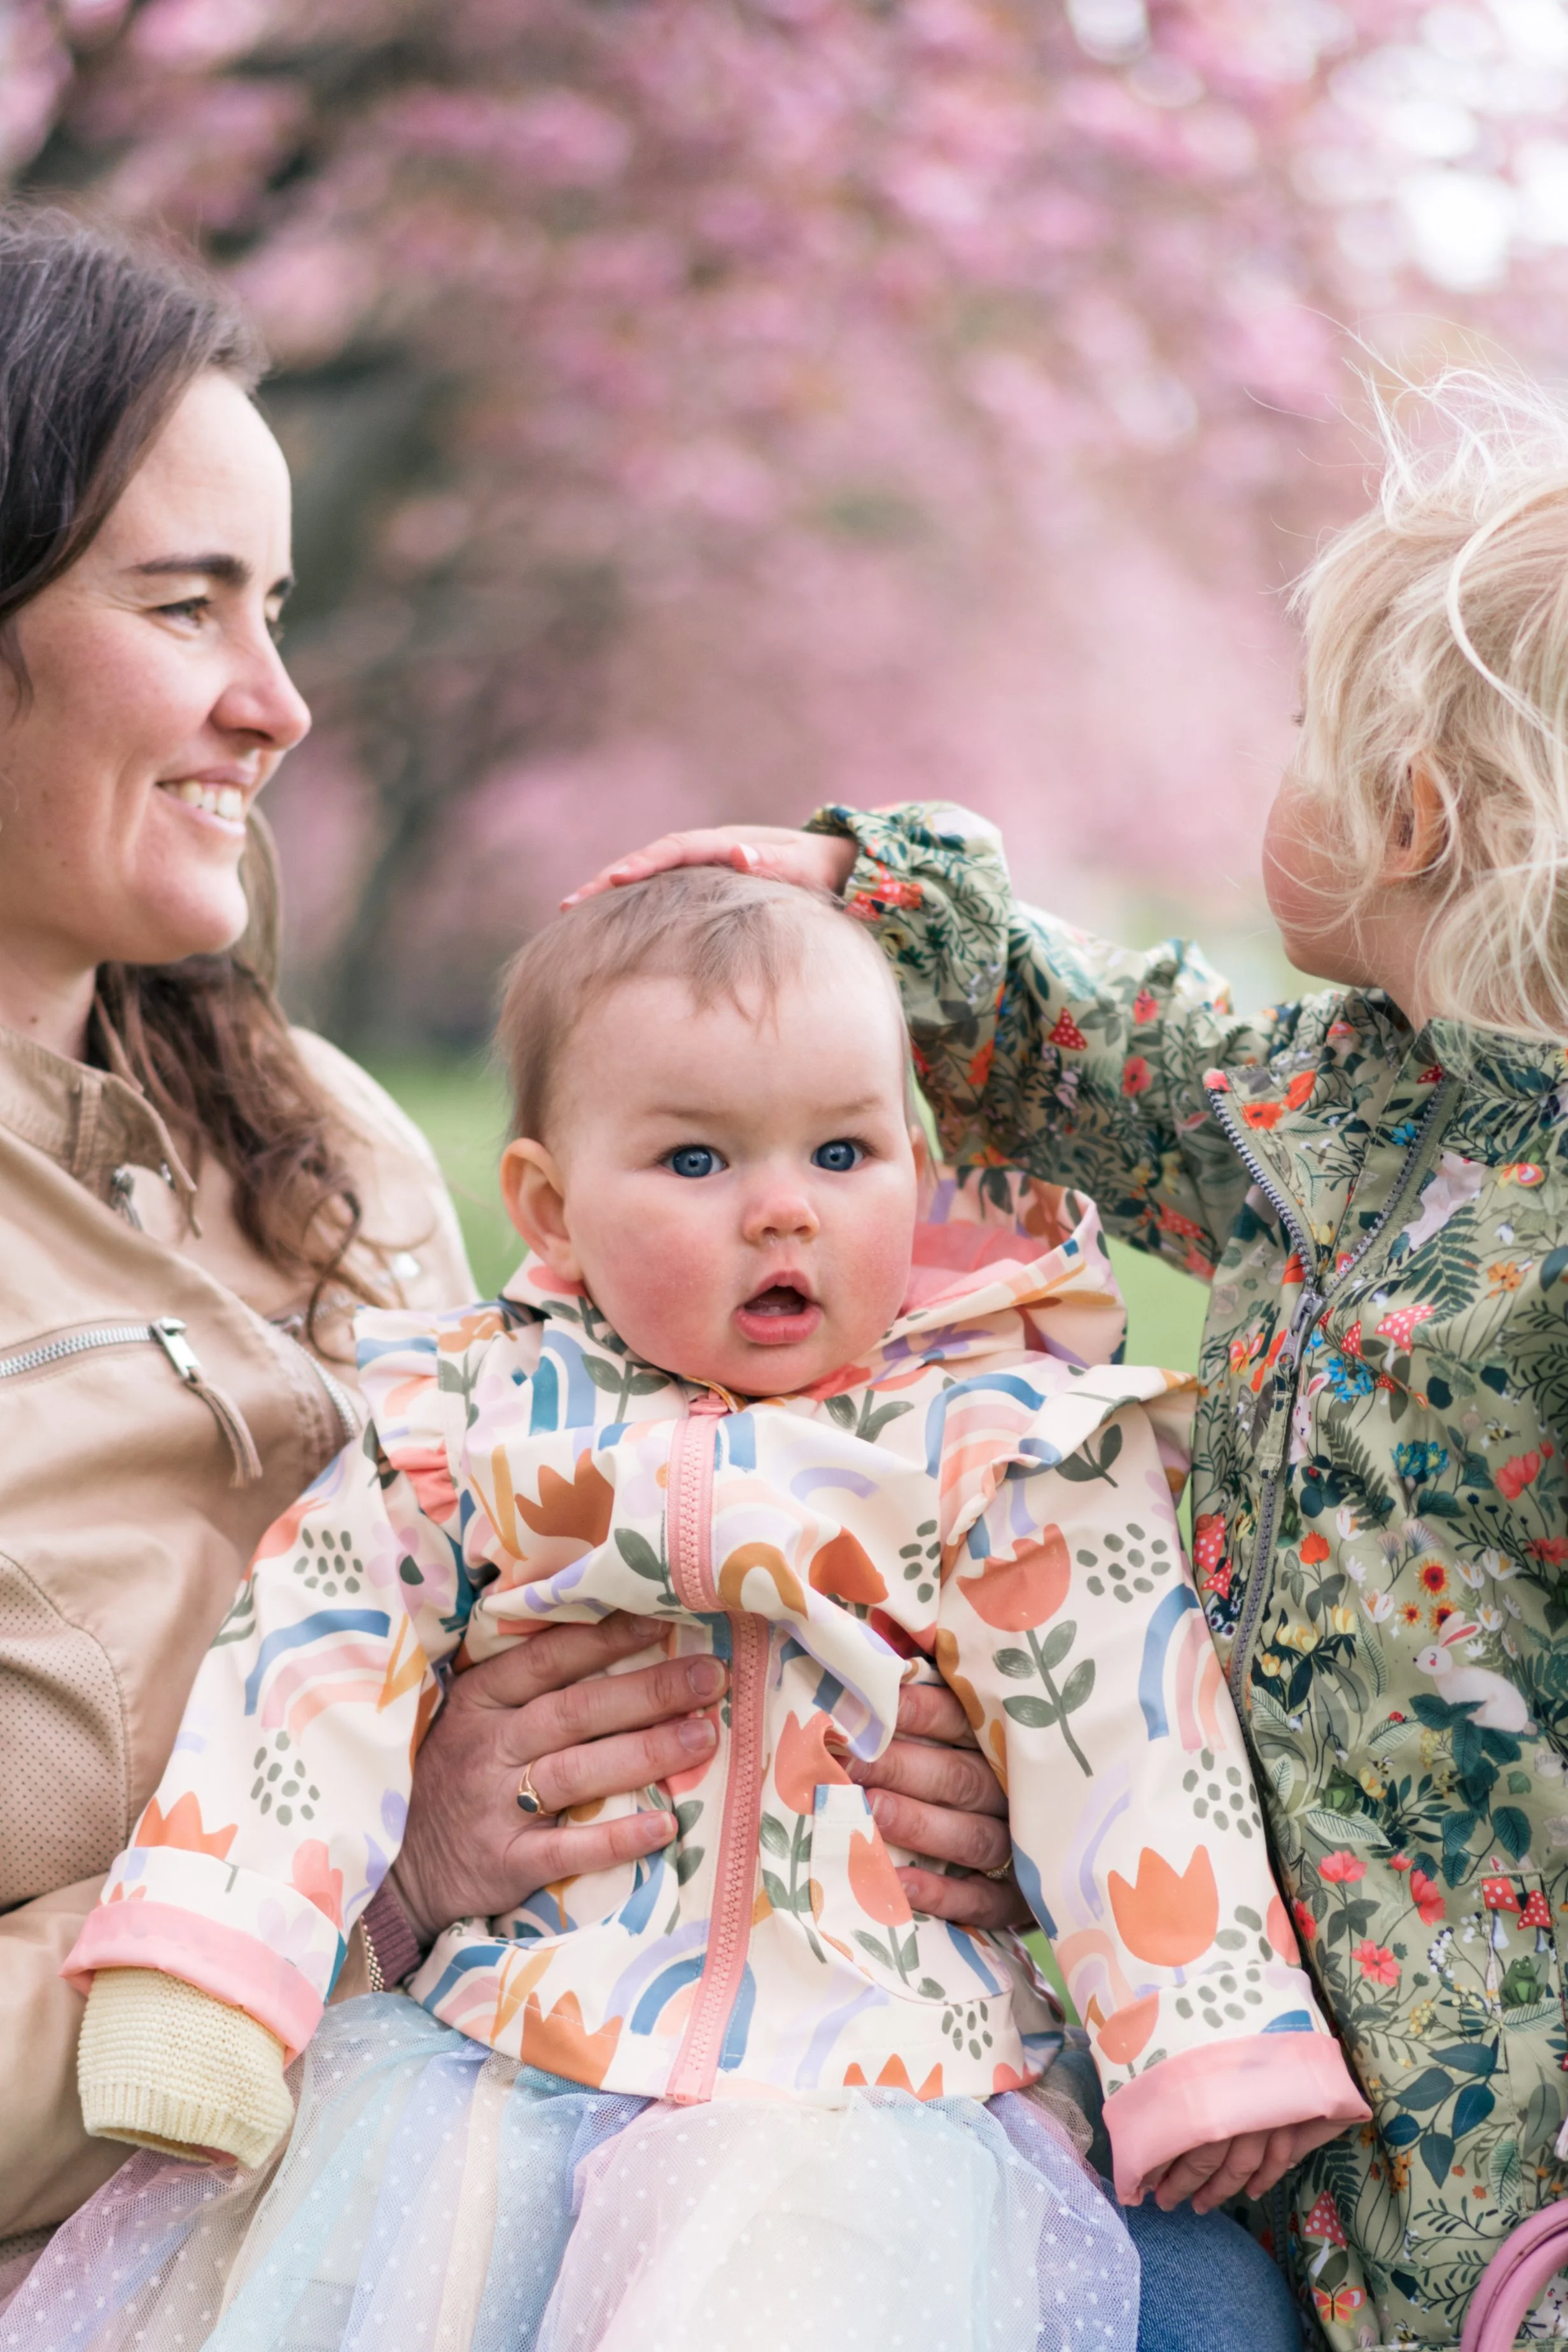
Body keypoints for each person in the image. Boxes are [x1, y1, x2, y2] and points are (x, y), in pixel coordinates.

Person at [0, 207, 1012, 2285]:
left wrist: (924, 1776)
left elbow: (584, 1528)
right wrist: (353, 1884)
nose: (277, 703)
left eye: (275, 607)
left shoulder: (328, 1131)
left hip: (583, 2100)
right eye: (186, 607)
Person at [12, 865, 1366, 2351]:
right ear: (550, 1204)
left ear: (914, 1169)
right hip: (501, 2055)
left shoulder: (995, 1441)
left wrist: (1205, 2038)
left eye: (842, 1151)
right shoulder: (477, 1415)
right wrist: (220, 1955)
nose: (782, 1208)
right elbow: (307, 1655)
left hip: (863, 2088)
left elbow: (1127, 1723)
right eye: (697, 1162)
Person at [576, 371, 1568, 2348]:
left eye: (1305, 744)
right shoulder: (1326, 1115)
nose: (1271, 785)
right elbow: (1090, 1045)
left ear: (1414, 813)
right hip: (1228, 2055)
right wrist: (877, 911)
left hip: (1496, 2150)